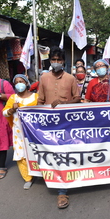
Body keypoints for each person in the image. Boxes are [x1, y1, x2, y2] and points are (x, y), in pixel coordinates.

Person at [37, 46, 81, 209]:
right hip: (49, 124)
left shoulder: (70, 78)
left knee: (66, 153)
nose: (56, 63)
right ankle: (60, 187)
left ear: (63, 62)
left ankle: (64, 188)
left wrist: (65, 103)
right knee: (52, 154)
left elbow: (78, 98)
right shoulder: (44, 78)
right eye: (53, 60)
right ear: (50, 61)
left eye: (59, 60)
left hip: (67, 123)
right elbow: (40, 101)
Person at [3, 74, 38, 190]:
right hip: (19, 132)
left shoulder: (36, 97)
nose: (19, 84)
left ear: (27, 83)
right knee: (21, 153)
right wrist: (12, 109)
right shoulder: (13, 98)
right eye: (16, 82)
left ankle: (41, 173)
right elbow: (4, 112)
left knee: (36, 152)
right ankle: (27, 178)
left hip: (35, 132)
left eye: (21, 81)